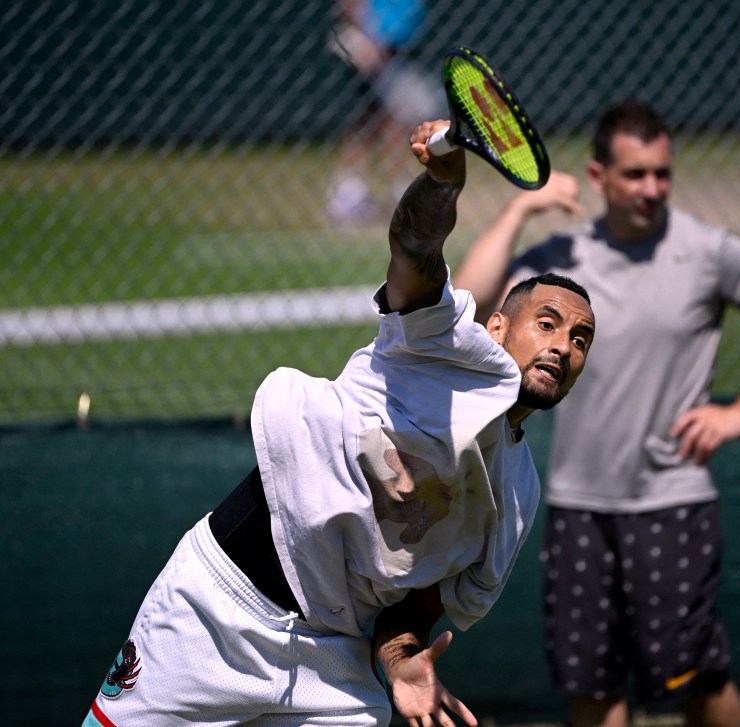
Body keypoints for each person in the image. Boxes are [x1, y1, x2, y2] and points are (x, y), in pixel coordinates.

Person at [82, 119, 596, 727]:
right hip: (220, 608)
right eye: (548, 322)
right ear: (496, 329)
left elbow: (417, 608)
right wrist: (441, 182)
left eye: (580, 339)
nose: (563, 345)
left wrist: (404, 660)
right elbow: (413, 249)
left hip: (336, 663)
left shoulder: (520, 495)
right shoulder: (439, 346)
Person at [453, 100, 740, 727]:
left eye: (662, 174)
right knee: (593, 689)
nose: (651, 189)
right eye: (634, 175)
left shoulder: (710, 251)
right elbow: (468, 299)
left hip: (672, 505)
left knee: (697, 681)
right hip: (577, 507)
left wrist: (739, 413)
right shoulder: (561, 261)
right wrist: (520, 208)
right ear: (599, 178)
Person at [325, 0, 445, 222]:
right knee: (382, 118)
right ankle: (351, 193)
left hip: (394, 50)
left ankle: (364, 191)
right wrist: (368, 37)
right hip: (370, 46)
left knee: (387, 119)